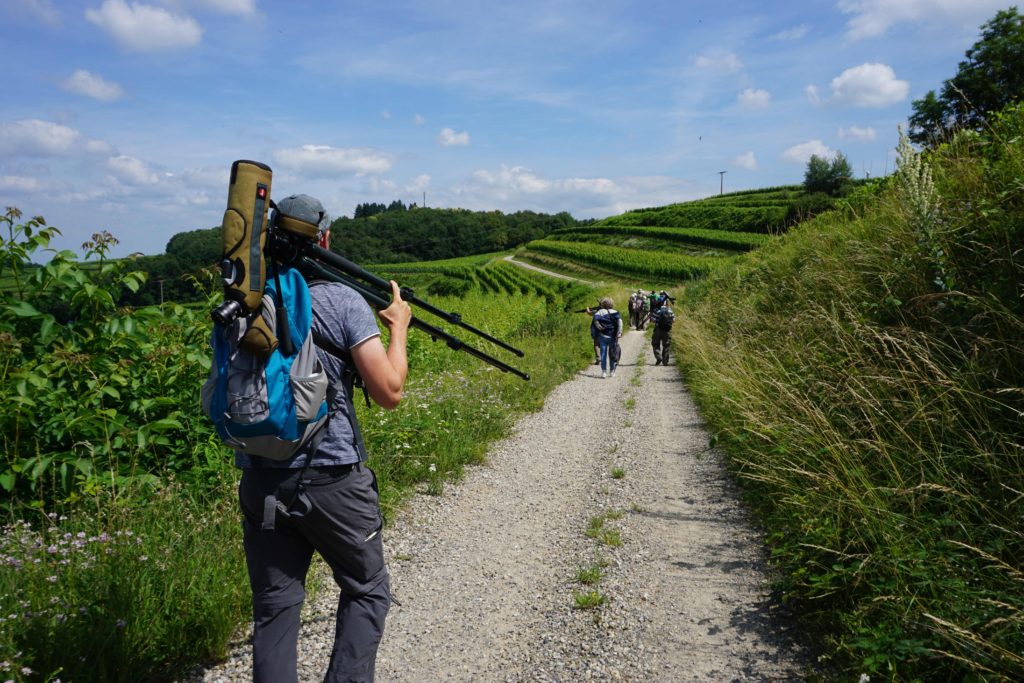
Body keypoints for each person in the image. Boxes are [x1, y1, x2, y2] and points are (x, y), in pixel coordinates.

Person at [237, 194, 412, 683]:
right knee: (367, 588)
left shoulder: (245, 303)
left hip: (260, 480)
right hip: (332, 479)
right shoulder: (340, 301)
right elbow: (390, 392)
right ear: (325, 240)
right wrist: (398, 329)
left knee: (275, 607)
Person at [586, 297, 622, 378]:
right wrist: (619, 333)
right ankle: (612, 371)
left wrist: (599, 327)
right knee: (612, 353)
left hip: (602, 336)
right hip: (613, 336)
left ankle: (604, 372)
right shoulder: (615, 312)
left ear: (603, 304)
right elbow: (620, 323)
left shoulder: (599, 312)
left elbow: (595, 320)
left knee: (603, 354)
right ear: (611, 304)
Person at [650, 301, 675, 366]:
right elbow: (673, 320)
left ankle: (659, 357)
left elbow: (653, 320)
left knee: (655, 343)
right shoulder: (670, 310)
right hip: (667, 330)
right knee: (666, 345)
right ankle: (665, 361)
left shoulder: (657, 310)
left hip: (658, 329)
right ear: (666, 304)